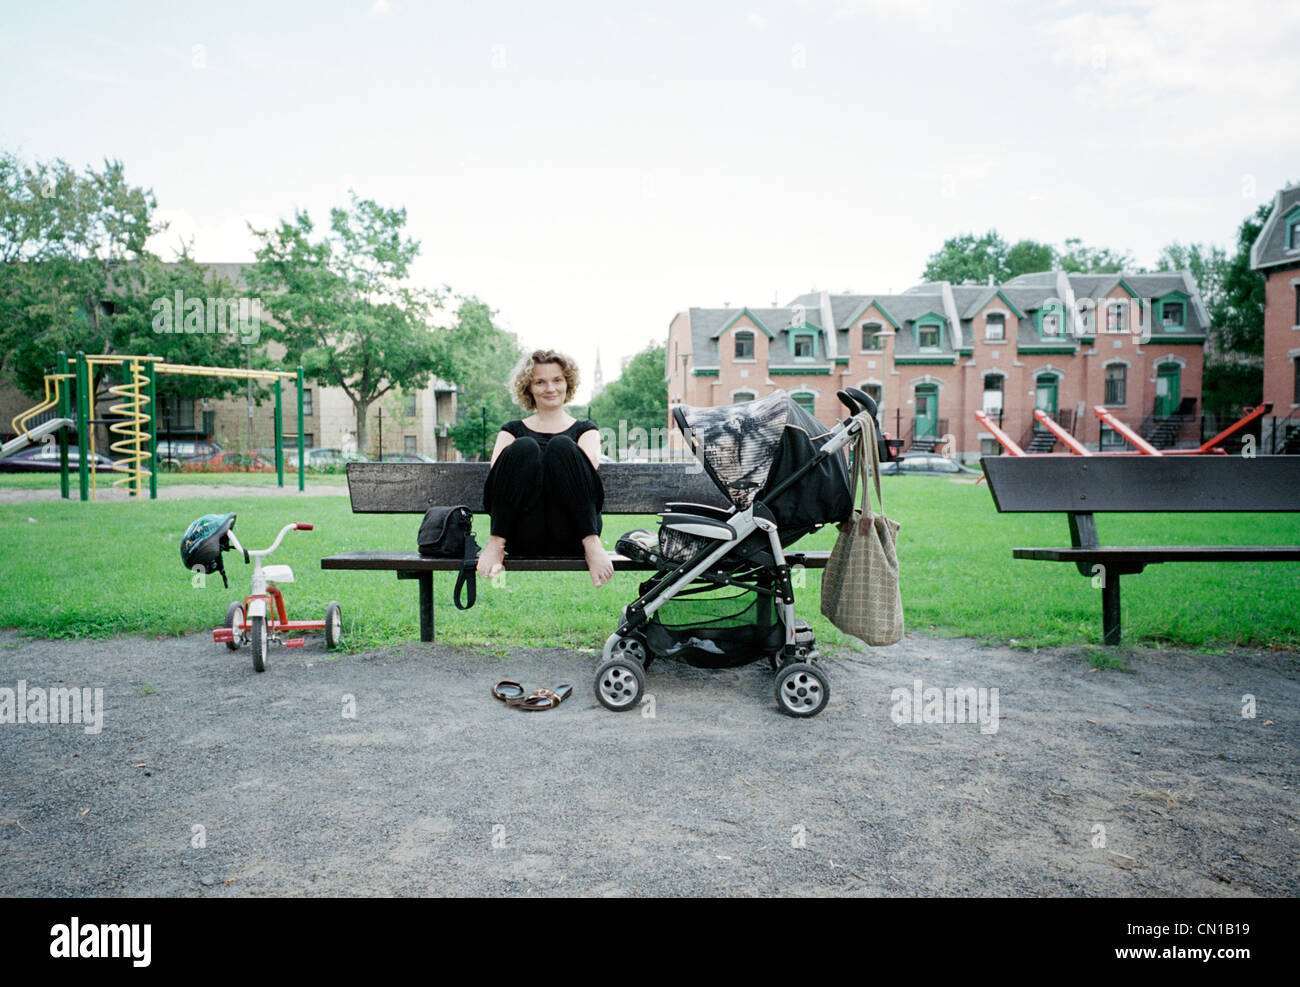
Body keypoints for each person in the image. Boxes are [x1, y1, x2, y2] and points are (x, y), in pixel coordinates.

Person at [476, 349, 614, 587]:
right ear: (528, 388)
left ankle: (593, 544)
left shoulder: (586, 430)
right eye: (540, 382)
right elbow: (499, 482)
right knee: (525, 447)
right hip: (522, 533)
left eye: (557, 380)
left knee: (562, 445)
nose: (550, 388)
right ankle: (495, 543)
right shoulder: (511, 430)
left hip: (574, 533)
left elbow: (586, 481)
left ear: (567, 383)